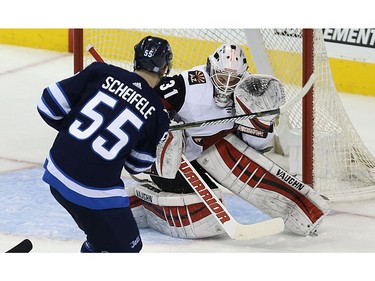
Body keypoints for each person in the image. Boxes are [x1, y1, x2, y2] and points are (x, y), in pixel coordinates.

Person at [128, 43, 330, 239]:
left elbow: (258, 149)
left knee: (239, 160)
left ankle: (304, 209)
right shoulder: (189, 83)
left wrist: (260, 122)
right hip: (168, 161)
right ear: (210, 70)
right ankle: (141, 203)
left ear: (243, 77)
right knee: (201, 218)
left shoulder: (249, 93)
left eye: (233, 79)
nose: (226, 84)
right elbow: (144, 103)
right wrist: (162, 118)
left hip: (208, 152)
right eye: (222, 76)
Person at [37, 35, 173, 252]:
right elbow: (137, 166)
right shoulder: (158, 114)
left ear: (136, 59)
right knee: (129, 247)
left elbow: (48, 105)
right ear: (165, 69)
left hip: (55, 169)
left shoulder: (100, 71)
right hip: (92, 191)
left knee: (102, 240)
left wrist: (75, 135)